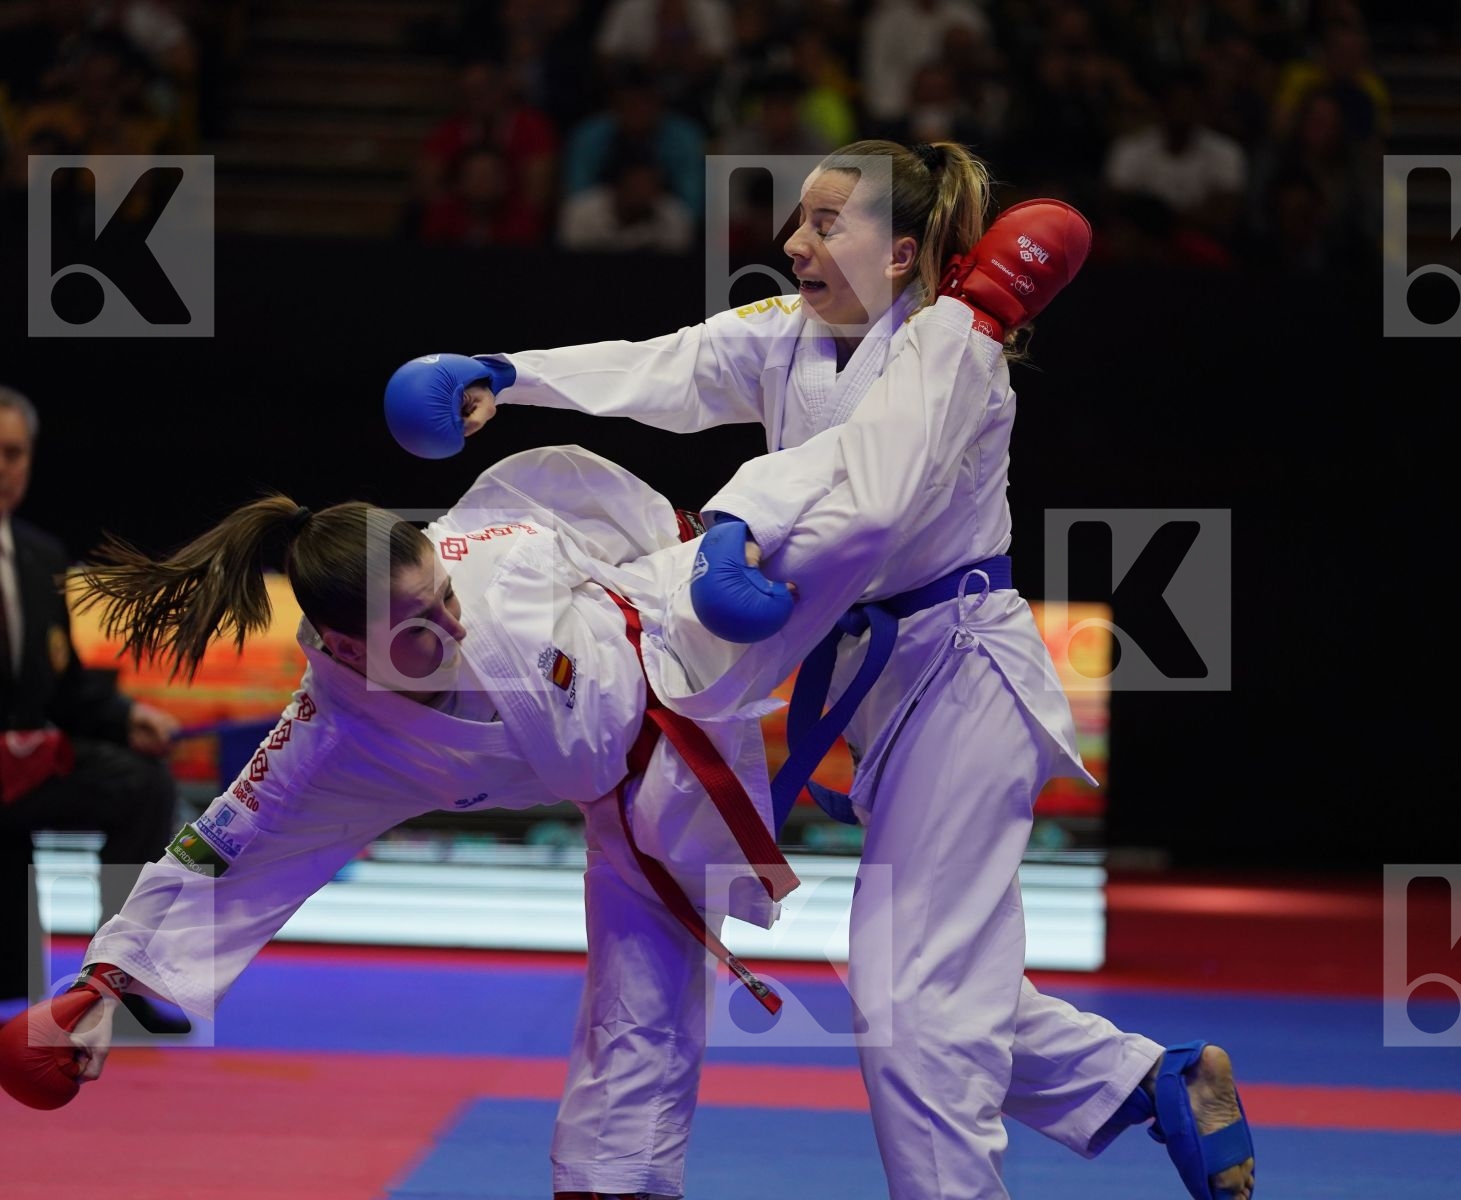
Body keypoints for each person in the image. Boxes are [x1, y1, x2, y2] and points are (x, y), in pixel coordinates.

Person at [0, 286, 1025, 1200]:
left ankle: (972, 312)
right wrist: (103, 987)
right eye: (410, 629)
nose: (445, 624)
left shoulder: (491, 556)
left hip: (668, 632)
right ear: (341, 644)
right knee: (640, 998)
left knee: (837, 518)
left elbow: (571, 488)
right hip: (630, 781)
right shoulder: (331, 738)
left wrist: (701, 538)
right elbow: (228, 849)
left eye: (438, 598)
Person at [441, 141, 1256, 1199]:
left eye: (828, 224)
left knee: (912, 997)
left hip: (960, 676)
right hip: (882, 686)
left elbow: (871, 508)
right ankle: (1149, 1082)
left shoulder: (952, 349)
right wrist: (511, 376)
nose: (794, 243)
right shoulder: (785, 336)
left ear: (903, 251)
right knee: (926, 983)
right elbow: (663, 363)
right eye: (797, 222)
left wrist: (735, 532)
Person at [0, 384, 186, 1037]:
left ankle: (116, 979)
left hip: (21, 768)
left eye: (14, 453)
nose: (4, 468)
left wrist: (126, 716)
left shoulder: (39, 556)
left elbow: (66, 686)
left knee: (141, 785)